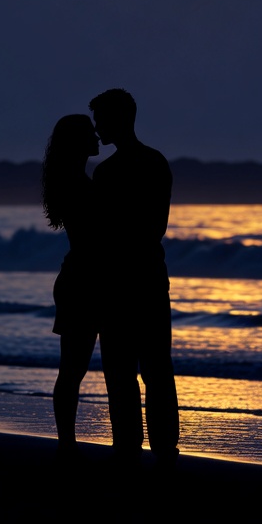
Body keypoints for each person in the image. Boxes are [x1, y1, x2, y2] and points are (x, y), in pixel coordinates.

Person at [89, 88, 179, 464]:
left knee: (124, 370)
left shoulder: (110, 172)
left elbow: (102, 233)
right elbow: (155, 226)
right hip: (146, 277)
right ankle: (161, 447)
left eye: (101, 119)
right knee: (153, 368)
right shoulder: (154, 162)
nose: (96, 127)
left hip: (122, 281)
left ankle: (130, 445)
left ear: (119, 119)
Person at [41, 114, 102, 456]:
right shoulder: (78, 184)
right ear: (78, 142)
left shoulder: (74, 179)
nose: (96, 137)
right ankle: (66, 442)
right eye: (90, 134)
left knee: (72, 369)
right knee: (72, 370)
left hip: (78, 277)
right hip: (83, 281)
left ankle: (67, 442)